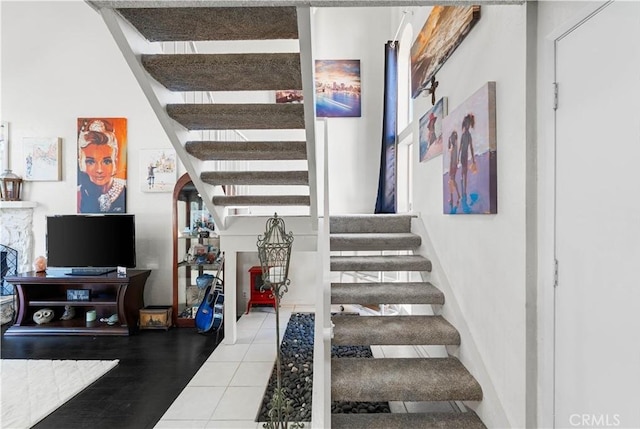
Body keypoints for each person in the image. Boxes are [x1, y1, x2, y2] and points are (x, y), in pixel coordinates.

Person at [77, 119, 126, 213]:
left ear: (115, 162)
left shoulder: (125, 191)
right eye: (90, 162)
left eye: (107, 162)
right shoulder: (77, 195)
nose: (99, 170)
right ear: (80, 163)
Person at [459, 113, 476, 201]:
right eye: (467, 124)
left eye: (469, 124)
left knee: (465, 172)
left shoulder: (468, 135)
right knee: (464, 171)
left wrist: (473, 159)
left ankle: (464, 190)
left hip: (464, 155)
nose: (468, 126)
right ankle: (463, 188)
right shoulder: (463, 135)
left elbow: (471, 147)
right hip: (463, 155)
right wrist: (458, 157)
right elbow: (460, 147)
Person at [447, 130, 461, 209]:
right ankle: (457, 196)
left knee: (452, 181)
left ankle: (454, 197)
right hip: (453, 165)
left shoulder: (454, 147)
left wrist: (451, 167)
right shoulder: (455, 146)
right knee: (453, 180)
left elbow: (453, 158)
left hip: (453, 165)